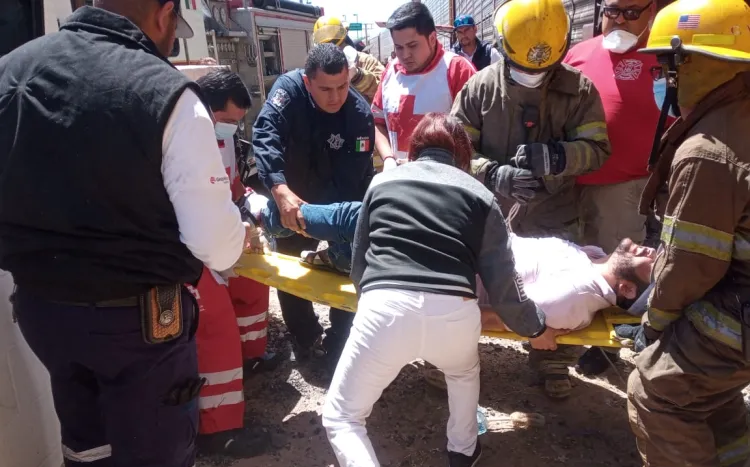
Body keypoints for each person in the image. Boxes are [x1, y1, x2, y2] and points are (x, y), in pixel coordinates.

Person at [0, 1, 253, 467]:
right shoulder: (165, 95)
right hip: (140, 329)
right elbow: (215, 242)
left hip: (44, 314)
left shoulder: (10, 71)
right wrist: (239, 236)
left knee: (86, 441)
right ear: (165, 13)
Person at [321, 113, 559, 467]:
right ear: (461, 155)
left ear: (413, 148)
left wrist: (383, 309)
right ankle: (462, 458)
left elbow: (358, 268)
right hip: (455, 312)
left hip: (385, 306)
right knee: (463, 371)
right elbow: (506, 289)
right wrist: (537, 328)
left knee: (342, 416)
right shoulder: (480, 195)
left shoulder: (382, 184)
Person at [609, 0, 750, 467]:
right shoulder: (739, 117)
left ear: (709, 62)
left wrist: (655, 319)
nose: (668, 79)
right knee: (706, 386)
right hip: (739, 299)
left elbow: (693, 264)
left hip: (736, 302)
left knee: (658, 386)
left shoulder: (709, 151)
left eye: (674, 65)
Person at [451, 0, 611, 400]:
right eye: (524, 67)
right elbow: (454, 148)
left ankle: (552, 362)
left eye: (543, 69)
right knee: (477, 286)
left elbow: (597, 147)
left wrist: (559, 157)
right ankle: (454, 359)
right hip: (491, 212)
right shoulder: (480, 87)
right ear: (503, 47)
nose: (533, 75)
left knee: (558, 292)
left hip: (554, 212)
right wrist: (492, 173)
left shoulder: (579, 90)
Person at [243, 196, 655, 331]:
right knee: (366, 219)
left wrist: (536, 333)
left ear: (628, 290)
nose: (650, 251)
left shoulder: (576, 297)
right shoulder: (594, 262)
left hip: (451, 261)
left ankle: (267, 215)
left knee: (365, 214)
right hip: (464, 243)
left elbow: (509, 317)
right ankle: (312, 241)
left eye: (652, 265)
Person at [252, 43, 375, 367]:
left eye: (342, 86)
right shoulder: (288, 93)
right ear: (308, 82)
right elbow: (266, 136)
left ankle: (340, 339)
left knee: (348, 270)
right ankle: (305, 336)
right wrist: (279, 188)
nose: (335, 97)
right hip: (292, 198)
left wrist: (336, 226)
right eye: (325, 89)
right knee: (289, 271)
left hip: (338, 200)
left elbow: (355, 177)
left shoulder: (359, 115)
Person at [564, 0, 668, 376]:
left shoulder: (663, 57)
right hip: (568, 184)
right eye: (612, 10)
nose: (618, 20)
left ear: (651, 12)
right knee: (571, 264)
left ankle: (601, 347)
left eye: (630, 12)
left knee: (618, 270)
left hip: (624, 186)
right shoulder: (578, 54)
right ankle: (557, 344)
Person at [190, 68, 278, 457]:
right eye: (226, 121)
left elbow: (235, 186)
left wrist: (253, 210)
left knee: (255, 281)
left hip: (225, 231)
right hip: (193, 245)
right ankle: (217, 429)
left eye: (236, 123)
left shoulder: (224, 140)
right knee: (215, 326)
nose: (231, 130)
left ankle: (252, 358)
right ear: (205, 110)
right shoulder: (185, 139)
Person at [371, 2, 476, 169]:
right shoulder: (390, 71)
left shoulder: (458, 70)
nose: (405, 55)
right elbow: (377, 122)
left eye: (413, 46)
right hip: (397, 181)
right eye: (399, 47)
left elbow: (473, 137)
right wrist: (389, 159)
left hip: (443, 185)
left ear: (432, 39)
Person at [312, 15, 385, 103]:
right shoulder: (316, 68)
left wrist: (358, 76)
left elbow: (385, 92)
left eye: (334, 42)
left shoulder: (365, 61)